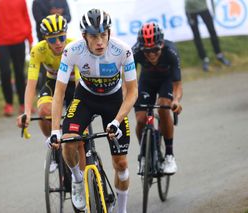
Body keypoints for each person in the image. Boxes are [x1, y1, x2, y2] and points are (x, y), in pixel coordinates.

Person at [48, 9, 138, 212]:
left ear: (109, 32)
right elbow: (59, 93)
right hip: (85, 98)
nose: (100, 41)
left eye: (103, 35)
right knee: (69, 141)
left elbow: (132, 93)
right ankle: (78, 180)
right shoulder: (72, 51)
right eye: (93, 36)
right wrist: (55, 130)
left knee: (121, 164)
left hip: (113, 102)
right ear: (84, 36)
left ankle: (122, 209)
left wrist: (117, 120)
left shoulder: (122, 51)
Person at [16, 14, 85, 172]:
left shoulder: (73, 46)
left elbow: (80, 82)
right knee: (44, 112)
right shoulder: (38, 50)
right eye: (53, 39)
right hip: (52, 82)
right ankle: (54, 148)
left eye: (61, 37)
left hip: (74, 83)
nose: (58, 43)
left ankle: (82, 178)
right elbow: (31, 84)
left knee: (79, 136)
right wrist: (26, 112)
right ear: (45, 38)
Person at [132, 22, 183, 175]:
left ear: (161, 45)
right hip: (146, 82)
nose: (152, 54)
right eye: (147, 51)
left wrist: (176, 100)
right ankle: (143, 155)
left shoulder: (171, 51)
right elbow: (129, 81)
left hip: (165, 82)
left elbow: (177, 85)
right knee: (141, 119)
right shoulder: (135, 52)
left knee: (163, 107)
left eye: (155, 50)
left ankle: (169, 155)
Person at [0, 0, 33, 116]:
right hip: (1, 42)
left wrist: (30, 40)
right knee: (5, 73)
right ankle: (8, 104)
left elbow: (26, 18)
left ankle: (23, 103)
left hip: (19, 40)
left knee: (19, 73)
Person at [185, 0, 231, 71]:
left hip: (204, 9)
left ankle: (219, 55)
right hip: (191, 12)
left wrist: (213, 11)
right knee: (196, 36)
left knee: (212, 32)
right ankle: (204, 59)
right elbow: (186, 2)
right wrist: (188, 16)